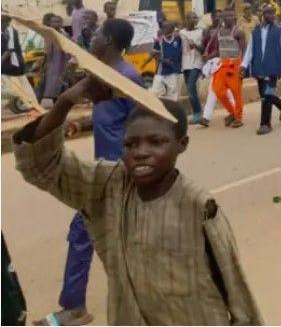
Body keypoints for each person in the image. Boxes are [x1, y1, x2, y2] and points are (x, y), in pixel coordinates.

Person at [14, 79, 262, 324]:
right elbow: (41, 166)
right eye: (131, 144)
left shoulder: (198, 207)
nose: (140, 152)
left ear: (181, 144)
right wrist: (65, 102)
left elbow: (236, 290)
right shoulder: (110, 185)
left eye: (156, 142)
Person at [34, 19, 142, 326]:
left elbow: (141, 125)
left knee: (84, 234)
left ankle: (75, 308)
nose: (91, 37)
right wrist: (81, 123)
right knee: (94, 236)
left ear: (106, 40)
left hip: (117, 176)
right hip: (103, 173)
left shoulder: (127, 78)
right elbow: (111, 118)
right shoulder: (103, 74)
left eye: (96, 34)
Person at [242, 4, 281, 136]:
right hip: (259, 67)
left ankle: (265, 124)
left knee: (267, 94)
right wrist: (243, 65)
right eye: (268, 13)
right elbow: (250, 50)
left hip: (273, 67)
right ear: (262, 15)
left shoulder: (280, 31)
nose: (271, 16)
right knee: (265, 95)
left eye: (272, 13)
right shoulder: (256, 32)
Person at [204, 8, 247, 129]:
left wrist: (243, 66)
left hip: (234, 65)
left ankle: (238, 117)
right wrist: (208, 56)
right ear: (222, 18)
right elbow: (218, 50)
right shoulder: (220, 31)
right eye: (226, 16)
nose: (228, 18)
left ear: (234, 17)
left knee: (236, 92)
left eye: (231, 16)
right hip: (221, 64)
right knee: (218, 90)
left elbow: (244, 50)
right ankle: (232, 112)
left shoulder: (238, 32)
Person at [179, 11, 205, 124]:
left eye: (195, 17)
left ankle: (197, 113)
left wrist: (196, 46)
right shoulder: (181, 33)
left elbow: (204, 49)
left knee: (190, 87)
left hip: (197, 63)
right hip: (185, 64)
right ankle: (199, 111)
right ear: (186, 19)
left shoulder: (201, 32)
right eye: (191, 17)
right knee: (191, 89)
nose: (194, 19)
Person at [40, 14, 70, 109]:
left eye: (57, 21)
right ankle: (55, 103)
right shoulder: (48, 34)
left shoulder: (65, 34)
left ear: (61, 23)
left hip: (63, 62)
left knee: (63, 82)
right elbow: (46, 51)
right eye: (53, 21)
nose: (55, 23)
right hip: (52, 63)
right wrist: (43, 62)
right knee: (52, 83)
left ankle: (61, 104)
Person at [149, 21, 182, 101]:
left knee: (173, 96)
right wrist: (164, 61)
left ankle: (172, 112)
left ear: (172, 29)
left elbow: (181, 52)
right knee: (154, 93)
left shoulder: (178, 38)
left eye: (165, 27)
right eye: (162, 27)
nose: (163, 29)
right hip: (161, 71)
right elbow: (156, 56)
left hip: (174, 71)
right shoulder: (159, 41)